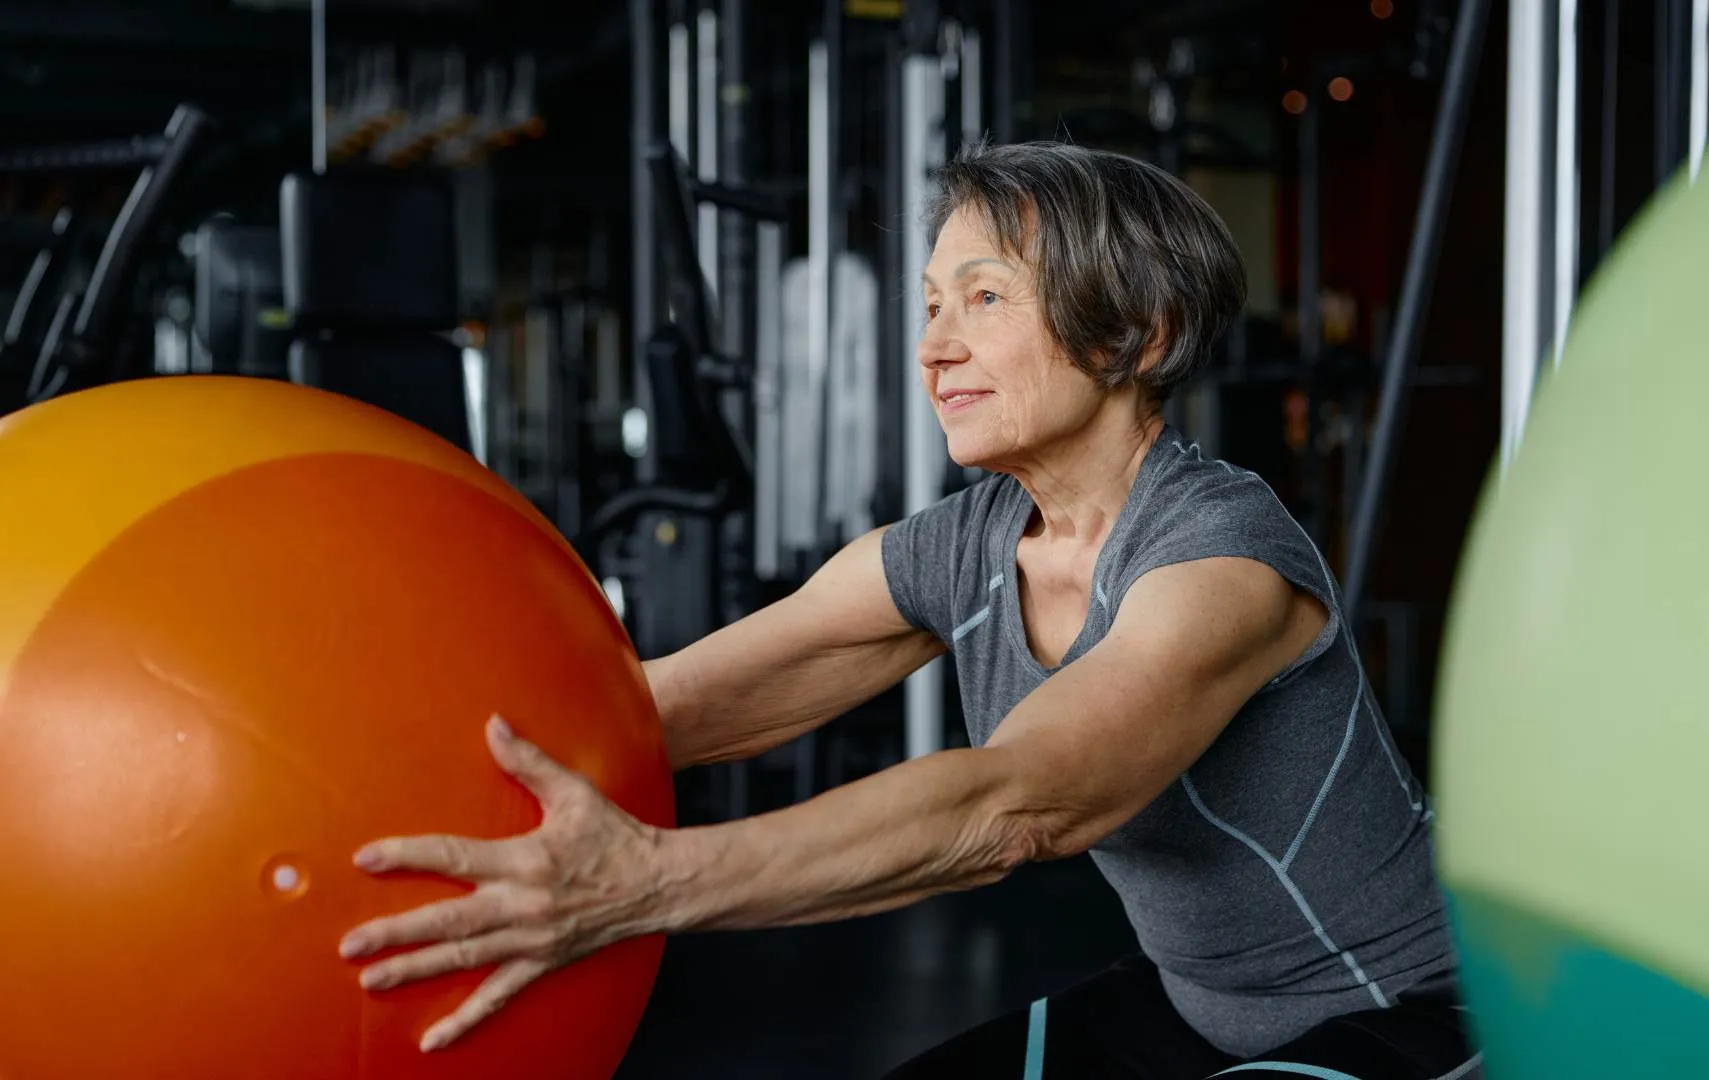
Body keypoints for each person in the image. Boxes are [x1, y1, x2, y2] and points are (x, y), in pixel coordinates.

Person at [337, 141, 1478, 1079]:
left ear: (1142, 333)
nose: (933, 349)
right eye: (932, 304)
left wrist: (644, 884)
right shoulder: (965, 545)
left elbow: (1013, 805)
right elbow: (659, 705)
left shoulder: (1222, 561)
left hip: (1406, 1016)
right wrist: (392, 784)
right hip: (1199, 1003)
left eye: (983, 299)